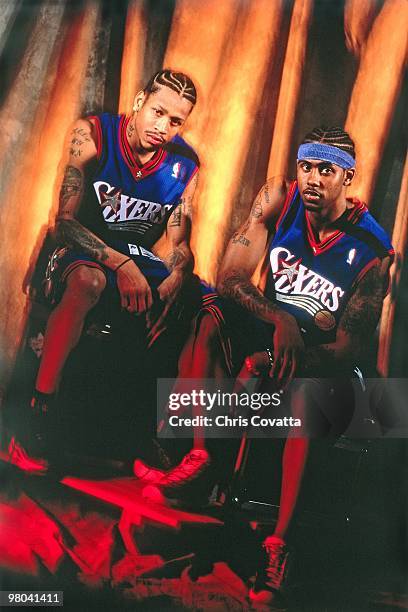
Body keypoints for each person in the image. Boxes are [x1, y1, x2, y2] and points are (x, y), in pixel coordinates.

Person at [138, 126, 394, 606]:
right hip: (275, 331)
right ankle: (201, 458)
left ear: (348, 178)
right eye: (306, 166)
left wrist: (277, 354)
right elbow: (232, 273)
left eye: (326, 170)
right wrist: (278, 319)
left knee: (303, 396)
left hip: (327, 365)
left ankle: (279, 543)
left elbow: (349, 348)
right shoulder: (280, 198)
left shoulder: (373, 251)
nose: (313, 178)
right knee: (209, 310)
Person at [8, 69, 204, 473]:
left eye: (175, 121)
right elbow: (64, 222)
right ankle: (37, 415)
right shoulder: (93, 134)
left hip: (134, 259)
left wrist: (180, 273)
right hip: (79, 249)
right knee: (89, 280)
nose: (162, 126)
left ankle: (156, 437)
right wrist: (120, 263)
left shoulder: (185, 164)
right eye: (157, 112)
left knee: (202, 301)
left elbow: (179, 241)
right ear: (138, 101)